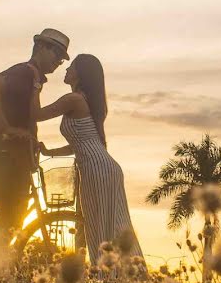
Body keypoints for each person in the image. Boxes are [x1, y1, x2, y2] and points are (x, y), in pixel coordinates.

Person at [36, 54, 142, 263]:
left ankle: (109, 280)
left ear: (80, 74)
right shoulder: (84, 101)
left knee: (100, 227)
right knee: (113, 226)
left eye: (71, 67)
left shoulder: (73, 100)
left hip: (97, 169)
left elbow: (36, 115)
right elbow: (81, 143)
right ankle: (126, 280)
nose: (66, 70)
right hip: (102, 167)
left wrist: (34, 86)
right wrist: (50, 152)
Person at [0, 28, 70, 238]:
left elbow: (28, 116)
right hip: (7, 157)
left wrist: (31, 142)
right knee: (6, 225)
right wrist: (6, 127)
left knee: (10, 226)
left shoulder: (33, 77)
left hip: (16, 158)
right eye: (56, 54)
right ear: (40, 47)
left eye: (62, 59)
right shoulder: (25, 72)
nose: (59, 62)